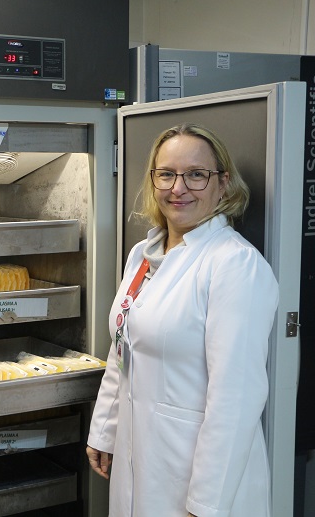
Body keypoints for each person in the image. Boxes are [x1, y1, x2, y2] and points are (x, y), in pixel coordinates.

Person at [86, 123, 279, 517]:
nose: (178, 188)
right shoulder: (143, 255)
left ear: (223, 184)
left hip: (196, 476)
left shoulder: (234, 264)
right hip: (139, 457)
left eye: (196, 174)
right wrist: (105, 429)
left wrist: (205, 504)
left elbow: (236, 398)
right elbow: (123, 349)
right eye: (167, 174)